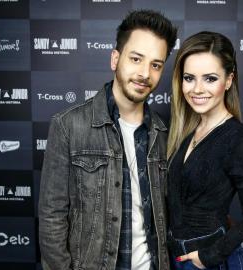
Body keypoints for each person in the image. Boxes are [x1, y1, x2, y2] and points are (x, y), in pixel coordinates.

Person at [38, 10, 177, 270]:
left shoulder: (164, 133)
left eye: (156, 65)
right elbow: (52, 218)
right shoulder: (69, 125)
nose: (145, 73)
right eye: (136, 59)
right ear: (115, 59)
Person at [166, 31, 243, 270]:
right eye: (189, 78)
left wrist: (210, 256)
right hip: (176, 255)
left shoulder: (238, 138)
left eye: (210, 78)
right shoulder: (187, 131)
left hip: (206, 259)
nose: (197, 89)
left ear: (229, 80)